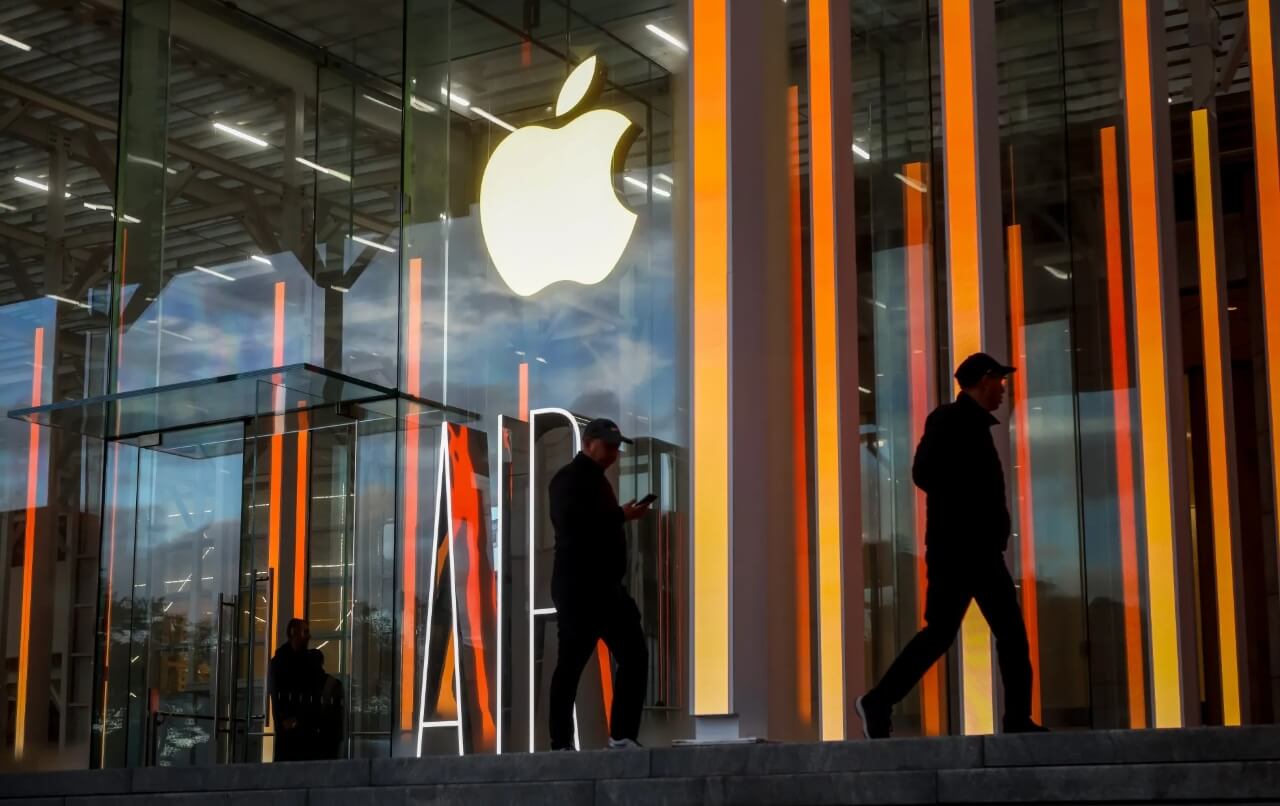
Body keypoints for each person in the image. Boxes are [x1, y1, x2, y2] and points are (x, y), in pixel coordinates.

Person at [856, 353, 1047, 738]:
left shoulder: (973, 426)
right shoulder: (950, 420)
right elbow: (923, 472)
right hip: (962, 551)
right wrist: (970, 509)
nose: (1005, 391)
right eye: (1000, 382)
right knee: (991, 633)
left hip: (971, 551)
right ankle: (1015, 720)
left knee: (954, 634)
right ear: (984, 380)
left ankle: (880, 701)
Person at [547, 418, 652, 751]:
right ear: (588, 442)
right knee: (571, 665)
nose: (614, 453)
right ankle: (561, 743)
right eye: (608, 446)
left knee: (633, 655)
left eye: (616, 448)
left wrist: (621, 516)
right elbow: (573, 526)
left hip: (606, 589)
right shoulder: (568, 479)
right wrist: (621, 516)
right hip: (579, 589)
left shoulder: (597, 482)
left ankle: (621, 736)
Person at [267, 618, 324, 761]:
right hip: (291, 731)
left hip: (305, 729)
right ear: (294, 633)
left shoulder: (302, 662)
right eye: (305, 632)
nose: (309, 636)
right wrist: (285, 719)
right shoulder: (281, 663)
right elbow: (276, 693)